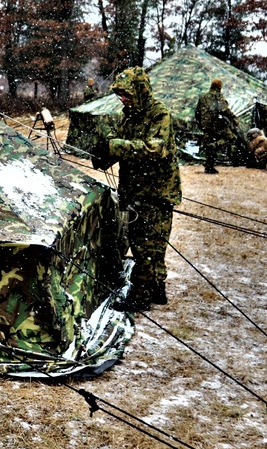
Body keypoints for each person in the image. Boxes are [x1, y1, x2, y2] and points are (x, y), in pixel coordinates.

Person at [92, 67, 182, 312]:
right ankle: (156, 286)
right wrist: (104, 154)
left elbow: (156, 149)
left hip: (156, 192)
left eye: (127, 94)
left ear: (140, 91)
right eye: (120, 95)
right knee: (148, 243)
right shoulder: (128, 116)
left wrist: (116, 146)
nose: (123, 99)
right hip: (136, 190)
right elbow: (119, 141)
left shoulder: (159, 115)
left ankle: (140, 296)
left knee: (148, 244)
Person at [194, 78, 240, 174]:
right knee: (231, 138)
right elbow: (224, 110)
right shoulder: (218, 96)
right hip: (215, 124)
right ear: (219, 86)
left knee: (208, 142)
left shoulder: (203, 97)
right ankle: (215, 146)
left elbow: (197, 112)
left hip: (205, 125)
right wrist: (234, 119)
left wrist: (201, 123)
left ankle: (209, 166)